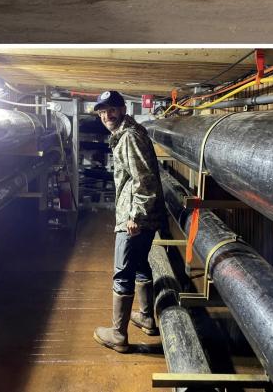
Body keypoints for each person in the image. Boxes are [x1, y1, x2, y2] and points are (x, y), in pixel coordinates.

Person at [93, 90, 166, 353]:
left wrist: (135, 216)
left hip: (134, 218)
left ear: (123, 109)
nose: (106, 116)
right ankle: (146, 317)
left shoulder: (129, 137)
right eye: (102, 112)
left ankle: (118, 335)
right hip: (140, 215)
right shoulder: (127, 133)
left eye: (111, 110)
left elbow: (144, 179)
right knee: (139, 263)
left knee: (122, 271)